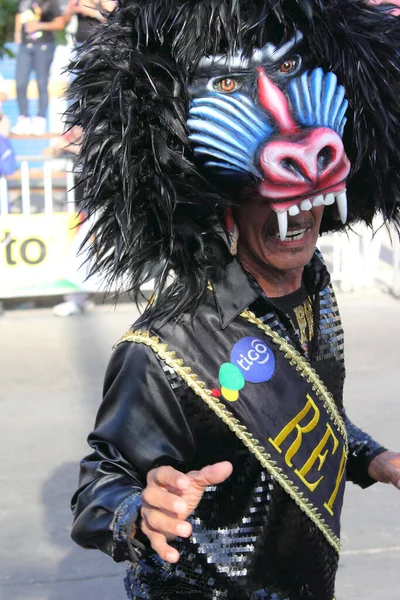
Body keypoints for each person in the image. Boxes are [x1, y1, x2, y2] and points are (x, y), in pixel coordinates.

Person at [68, 1, 400, 598]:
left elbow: (309, 413)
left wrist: (372, 458)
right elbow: (98, 483)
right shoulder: (163, 349)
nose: (299, 214)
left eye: (310, 200)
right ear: (218, 207)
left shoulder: (314, 288)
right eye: (266, 200)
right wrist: (139, 513)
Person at [12, 0, 66, 136]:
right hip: (25, 45)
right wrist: (17, 33)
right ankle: (23, 118)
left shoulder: (50, 3)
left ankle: (40, 119)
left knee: (42, 83)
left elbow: (60, 23)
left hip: (44, 45)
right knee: (20, 82)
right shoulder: (24, 1)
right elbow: (19, 15)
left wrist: (40, 25)